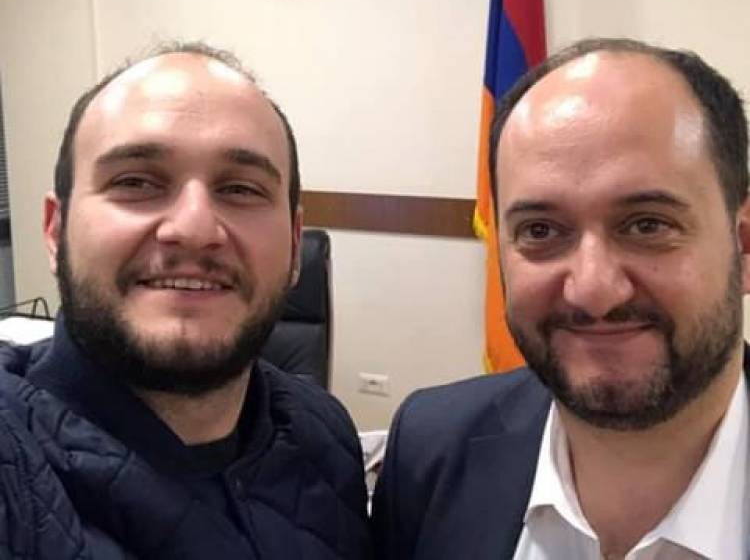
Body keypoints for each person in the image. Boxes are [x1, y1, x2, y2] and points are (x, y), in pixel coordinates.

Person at [372, 37, 750, 560]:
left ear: (743, 246)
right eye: (541, 230)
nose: (592, 290)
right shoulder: (431, 448)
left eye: (647, 224)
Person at [0, 42, 371, 558]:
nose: (194, 229)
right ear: (54, 230)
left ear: (293, 242)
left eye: (241, 189)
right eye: (135, 182)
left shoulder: (325, 433)